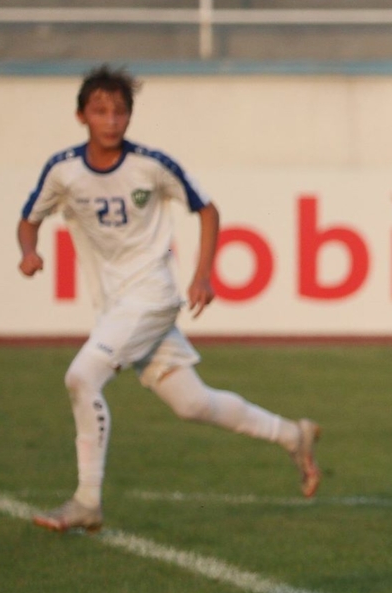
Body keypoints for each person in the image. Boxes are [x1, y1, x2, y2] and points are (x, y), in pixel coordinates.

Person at [17, 65, 320, 533]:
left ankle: (86, 501)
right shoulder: (64, 171)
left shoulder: (151, 165)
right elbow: (30, 217)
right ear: (82, 116)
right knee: (192, 404)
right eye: (100, 110)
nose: (111, 120)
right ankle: (291, 434)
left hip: (153, 295)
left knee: (81, 378)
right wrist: (29, 251)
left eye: (120, 111)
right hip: (116, 306)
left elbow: (207, 208)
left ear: (130, 117)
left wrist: (202, 276)